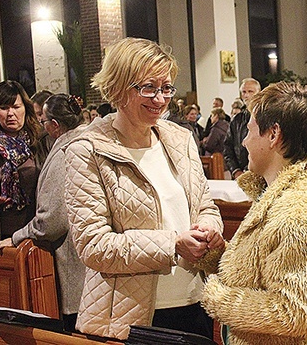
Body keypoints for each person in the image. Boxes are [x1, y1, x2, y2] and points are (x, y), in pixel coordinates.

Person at [64, 37, 224, 340]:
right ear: (117, 88)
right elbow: (93, 245)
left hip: (194, 302)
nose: (160, 99)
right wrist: (172, 244)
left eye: (166, 88)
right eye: (148, 88)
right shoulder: (88, 149)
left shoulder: (179, 138)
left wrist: (209, 228)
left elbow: (205, 205)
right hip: (129, 318)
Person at [201, 81, 307, 344]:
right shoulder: (275, 197)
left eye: (249, 131)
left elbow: (293, 313)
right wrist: (212, 254)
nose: (245, 142)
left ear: (273, 135)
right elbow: (261, 273)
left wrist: (218, 298)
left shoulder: (302, 214)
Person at [0, 94, 86, 332]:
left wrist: (18, 237)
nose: (42, 126)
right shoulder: (88, 141)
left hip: (68, 261)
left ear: (55, 125)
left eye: (43, 119)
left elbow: (52, 221)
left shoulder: (64, 151)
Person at [0, 80, 41, 239]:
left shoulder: (40, 140)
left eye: (16, 107)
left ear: (25, 108)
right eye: (4, 108)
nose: (10, 113)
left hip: (37, 231)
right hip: (3, 233)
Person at [223, 78, 261, 179]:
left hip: (260, 173)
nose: (246, 95)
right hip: (239, 174)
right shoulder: (237, 120)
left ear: (259, 93)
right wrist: (235, 171)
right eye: (244, 92)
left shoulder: (265, 116)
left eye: (250, 91)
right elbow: (228, 147)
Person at [30, 90, 55, 167]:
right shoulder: (32, 137)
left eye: (41, 114)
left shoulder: (51, 138)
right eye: (36, 114)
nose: (39, 119)